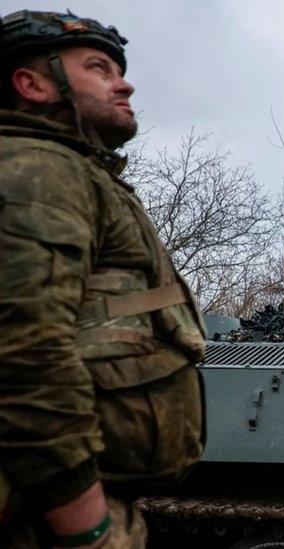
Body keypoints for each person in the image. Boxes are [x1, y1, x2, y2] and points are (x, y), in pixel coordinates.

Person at [0, 10, 207, 548]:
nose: (125, 82)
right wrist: (87, 526)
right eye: (99, 68)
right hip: (48, 515)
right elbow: (23, 353)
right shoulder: (35, 170)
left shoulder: (72, 171)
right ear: (33, 84)